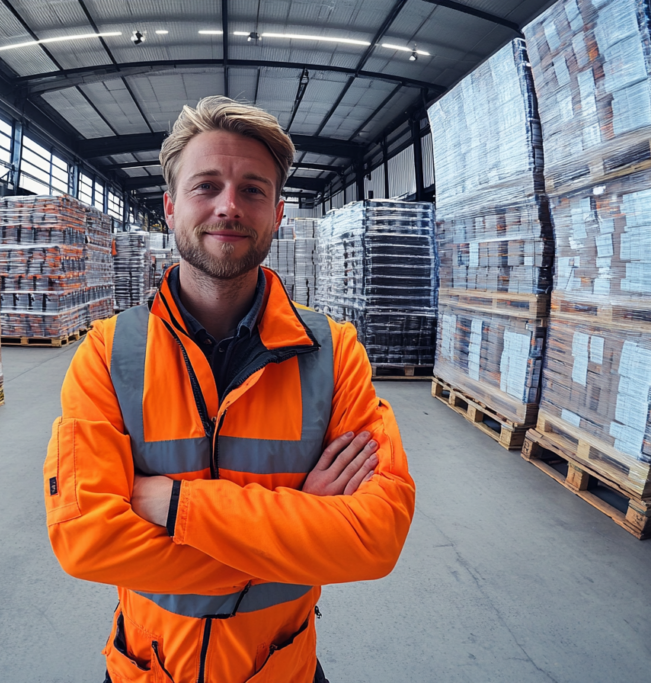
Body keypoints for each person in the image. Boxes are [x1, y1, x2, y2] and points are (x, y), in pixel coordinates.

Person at [44, 96, 416, 683]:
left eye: (252, 190)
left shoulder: (334, 353)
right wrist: (292, 539)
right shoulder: (109, 355)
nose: (228, 206)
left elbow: (376, 536)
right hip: (148, 670)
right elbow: (85, 540)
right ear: (169, 207)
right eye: (206, 186)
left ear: (277, 214)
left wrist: (175, 506)